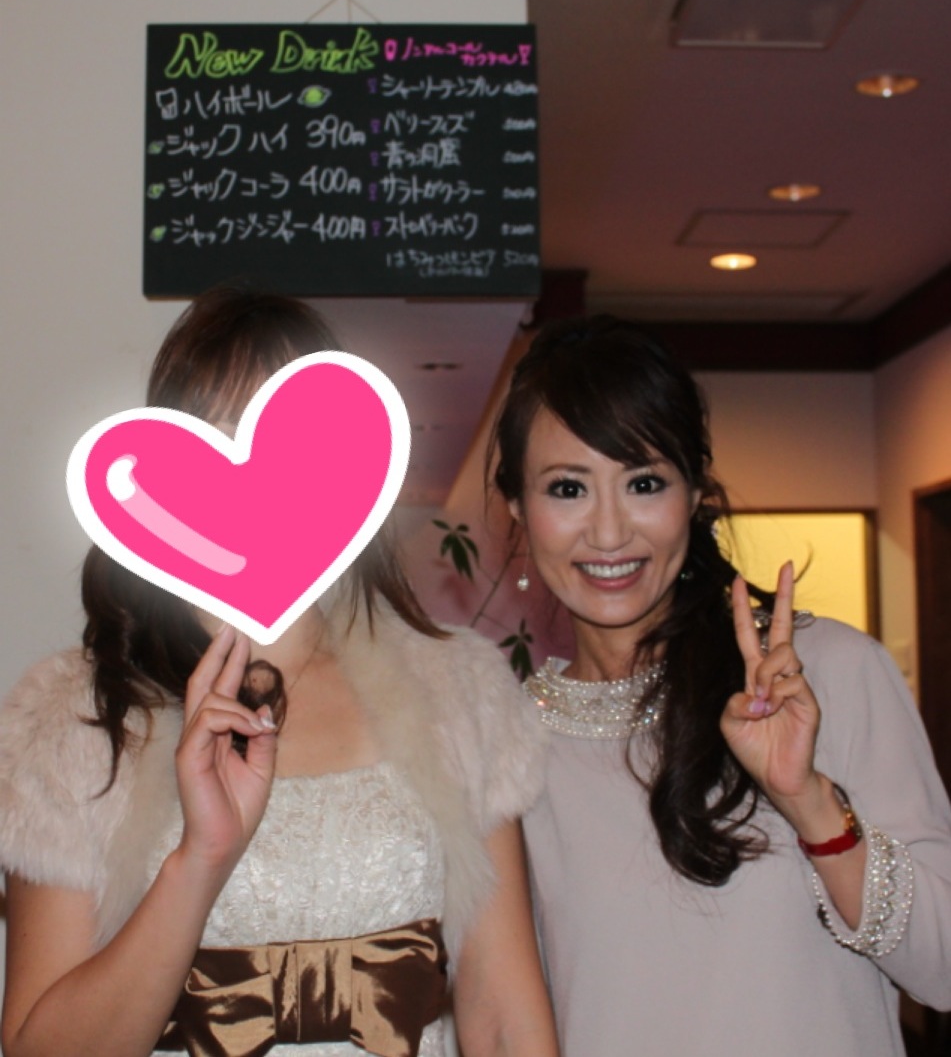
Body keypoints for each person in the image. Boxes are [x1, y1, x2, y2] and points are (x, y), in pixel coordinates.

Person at [0, 284, 559, 1057]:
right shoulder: (70, 723)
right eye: (218, 436)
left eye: (283, 444)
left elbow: (504, 1019)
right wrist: (199, 860)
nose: (250, 478)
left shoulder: (456, 691)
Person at [489, 313, 951, 1056]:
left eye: (643, 483)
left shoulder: (826, 673)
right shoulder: (503, 745)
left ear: (695, 491)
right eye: (567, 488)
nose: (608, 533)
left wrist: (810, 803)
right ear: (517, 506)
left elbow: (945, 970)